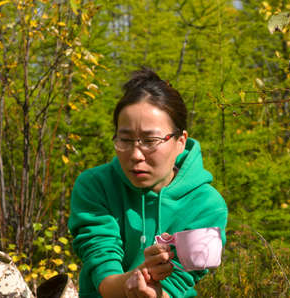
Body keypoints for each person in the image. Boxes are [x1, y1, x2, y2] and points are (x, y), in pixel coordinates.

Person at [68, 68, 228, 297]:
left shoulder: (206, 204)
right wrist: (129, 283)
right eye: (125, 140)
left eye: (150, 141)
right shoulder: (96, 186)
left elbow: (177, 285)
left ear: (180, 141)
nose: (135, 154)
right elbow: (103, 273)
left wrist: (152, 292)